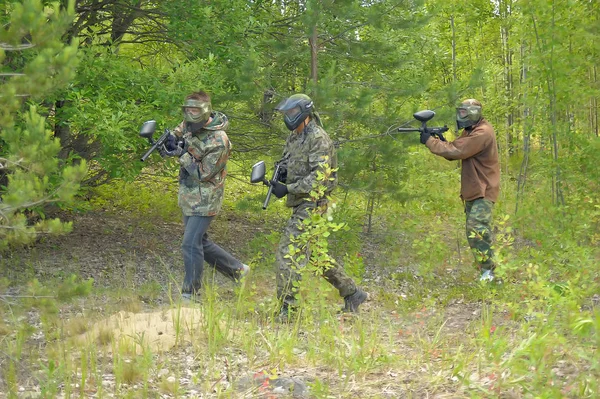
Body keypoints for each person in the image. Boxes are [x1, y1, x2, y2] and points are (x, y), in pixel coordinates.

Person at [269, 93, 368, 321]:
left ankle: (289, 310)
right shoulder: (295, 136)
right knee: (315, 256)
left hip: (313, 203)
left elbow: (319, 179)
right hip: (302, 202)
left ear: (304, 112)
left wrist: (289, 188)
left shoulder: (318, 138)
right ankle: (353, 293)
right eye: (286, 113)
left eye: (292, 113)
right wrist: (280, 176)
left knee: (287, 254)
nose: (288, 117)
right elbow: (288, 162)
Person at [159, 90, 249, 301]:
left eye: (195, 110)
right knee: (201, 242)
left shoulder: (219, 140)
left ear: (205, 110)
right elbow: (177, 135)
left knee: (190, 243)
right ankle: (238, 271)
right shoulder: (189, 125)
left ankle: (190, 293)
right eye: (187, 109)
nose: (190, 114)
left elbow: (204, 173)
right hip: (188, 196)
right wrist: (169, 143)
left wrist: (182, 154)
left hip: (206, 198)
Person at [420, 99, 500, 282]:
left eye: (464, 113)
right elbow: (455, 151)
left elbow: (457, 151)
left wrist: (430, 142)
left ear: (473, 112)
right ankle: (487, 270)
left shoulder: (482, 132)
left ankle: (490, 273)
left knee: (477, 229)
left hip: (484, 189)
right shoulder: (471, 130)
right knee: (474, 231)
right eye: (460, 112)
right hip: (475, 189)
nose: (460, 116)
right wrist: (440, 141)